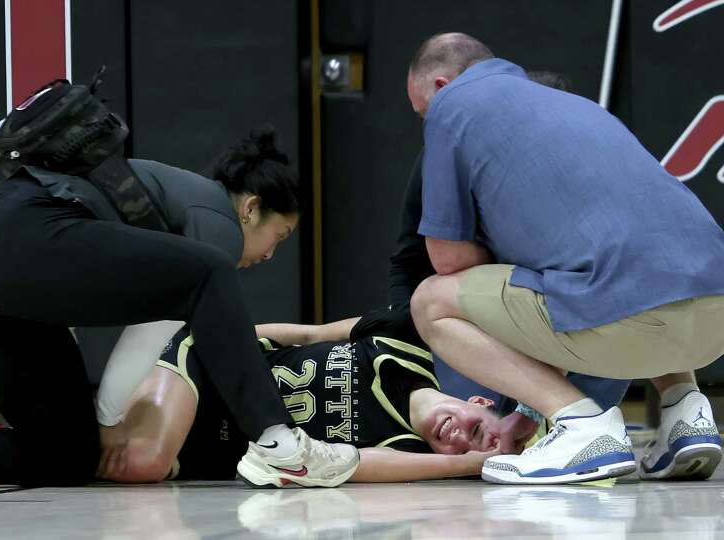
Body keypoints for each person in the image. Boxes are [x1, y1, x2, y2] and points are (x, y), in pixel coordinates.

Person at [0, 78, 358, 491]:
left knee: (68, 455)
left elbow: (77, 285)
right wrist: (109, 418)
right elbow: (158, 323)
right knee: (209, 274)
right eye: (280, 236)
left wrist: (95, 427)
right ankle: (280, 445)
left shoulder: (178, 208)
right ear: (251, 207)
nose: (271, 253)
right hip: (19, 235)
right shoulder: (217, 222)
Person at [404, 32, 724, 484]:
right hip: (713, 320)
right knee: (638, 258)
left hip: (629, 319)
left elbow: (448, 258)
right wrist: (527, 417)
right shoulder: (576, 107)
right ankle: (686, 413)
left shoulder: (452, 107)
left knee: (432, 301)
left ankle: (582, 428)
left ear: (441, 86)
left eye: (421, 112)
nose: (425, 123)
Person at [381, 69, 631, 445]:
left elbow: (577, 299)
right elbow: (410, 260)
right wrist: (404, 342)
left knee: (627, 286)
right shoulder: (451, 155)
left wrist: (530, 412)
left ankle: (585, 422)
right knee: (472, 427)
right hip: (499, 321)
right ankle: (681, 409)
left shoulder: (573, 175)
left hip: (585, 321)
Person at [97, 309, 502, 485]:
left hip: (206, 445)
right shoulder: (404, 343)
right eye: (478, 429)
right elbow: (312, 333)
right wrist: (226, 337)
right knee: (142, 463)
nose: (460, 437)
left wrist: (477, 464)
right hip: (204, 366)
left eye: (468, 449)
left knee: (104, 463)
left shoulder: (405, 452)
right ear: (479, 401)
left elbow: (350, 465)